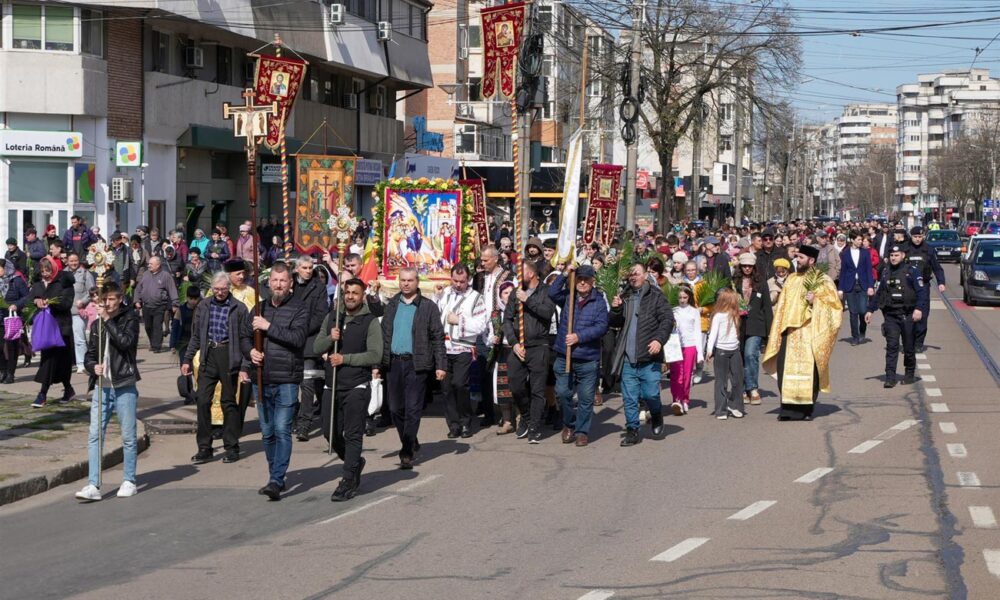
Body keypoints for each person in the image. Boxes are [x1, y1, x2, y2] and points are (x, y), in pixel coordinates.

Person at [314, 278, 383, 501]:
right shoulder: (332, 318)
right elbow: (316, 347)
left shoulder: (370, 321)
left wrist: (346, 359)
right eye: (347, 292)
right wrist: (330, 338)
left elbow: (375, 354)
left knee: (353, 434)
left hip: (356, 386)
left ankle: (348, 479)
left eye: (355, 293)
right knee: (329, 432)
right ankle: (354, 462)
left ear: (362, 296)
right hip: (332, 384)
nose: (350, 296)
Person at [245, 262, 308, 500]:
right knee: (267, 432)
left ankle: (276, 479)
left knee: (282, 429)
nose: (278, 285)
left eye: (283, 281)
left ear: (290, 283)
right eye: (275, 280)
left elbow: (298, 339)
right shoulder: (259, 308)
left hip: (287, 379)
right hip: (261, 378)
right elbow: (244, 336)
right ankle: (275, 476)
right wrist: (250, 352)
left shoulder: (299, 309)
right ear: (269, 282)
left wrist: (268, 327)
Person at [74, 281, 141, 502]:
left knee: (128, 435)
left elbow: (125, 343)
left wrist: (108, 320)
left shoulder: (129, 319)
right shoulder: (97, 325)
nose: (108, 303)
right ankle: (94, 484)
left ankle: (129, 480)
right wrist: (92, 366)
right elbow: (90, 354)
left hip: (123, 383)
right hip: (102, 386)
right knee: (95, 435)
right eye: (105, 299)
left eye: (112, 299)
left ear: (120, 299)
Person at [762, 245, 842, 421]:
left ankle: (806, 409)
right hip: (789, 333)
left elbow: (835, 309)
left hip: (810, 333)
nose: (797, 260)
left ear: (811, 260)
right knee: (785, 370)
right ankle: (787, 408)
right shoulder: (791, 279)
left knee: (809, 372)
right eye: (797, 257)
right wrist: (777, 330)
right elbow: (782, 307)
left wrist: (816, 301)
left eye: (801, 257)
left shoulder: (823, 280)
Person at [182, 272, 253, 464]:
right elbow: (196, 335)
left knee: (228, 402)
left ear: (229, 288)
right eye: (216, 289)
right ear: (211, 288)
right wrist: (187, 359)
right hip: (209, 355)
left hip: (229, 355)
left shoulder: (239, 308)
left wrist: (245, 365)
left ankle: (232, 447)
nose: (220, 293)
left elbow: (245, 339)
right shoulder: (204, 306)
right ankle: (204, 447)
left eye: (223, 289)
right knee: (202, 400)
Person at [381, 268, 446, 469]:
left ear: (417, 282)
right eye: (403, 280)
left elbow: (437, 337)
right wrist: (377, 364)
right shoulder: (392, 304)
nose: (406, 284)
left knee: (413, 408)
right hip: (394, 363)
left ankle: (407, 451)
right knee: (395, 408)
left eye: (410, 280)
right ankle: (410, 439)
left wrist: (440, 365)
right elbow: (384, 334)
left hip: (417, 364)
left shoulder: (428, 307)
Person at [609, 262, 674, 446]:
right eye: (631, 274)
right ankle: (632, 430)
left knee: (651, 394)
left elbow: (667, 320)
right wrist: (615, 309)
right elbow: (614, 323)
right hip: (628, 357)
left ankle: (656, 414)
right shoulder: (625, 296)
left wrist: (659, 340)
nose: (633, 277)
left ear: (645, 275)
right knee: (629, 398)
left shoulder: (656, 296)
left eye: (636, 273)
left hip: (649, 357)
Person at [549, 264, 608, 447]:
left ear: (592, 281)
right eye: (579, 279)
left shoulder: (599, 301)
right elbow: (552, 292)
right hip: (564, 355)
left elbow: (601, 326)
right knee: (562, 393)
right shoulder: (569, 297)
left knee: (585, 398)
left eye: (586, 280)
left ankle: (582, 431)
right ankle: (569, 424)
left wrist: (579, 337)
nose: (582, 283)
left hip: (587, 358)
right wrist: (565, 273)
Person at [502, 261, 556, 443]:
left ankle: (534, 426)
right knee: (515, 385)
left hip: (539, 346)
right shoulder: (516, 292)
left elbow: (547, 312)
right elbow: (507, 320)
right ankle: (526, 416)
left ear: (532, 273)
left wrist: (528, 300)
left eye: (521, 271)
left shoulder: (546, 291)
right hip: (519, 346)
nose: (518, 274)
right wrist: (514, 343)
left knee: (537, 389)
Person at [434, 264, 488, 438]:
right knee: (446, 388)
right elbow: (435, 315)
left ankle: (465, 421)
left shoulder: (476, 298)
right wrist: (437, 297)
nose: (458, 284)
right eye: (455, 281)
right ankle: (454, 425)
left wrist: (459, 321)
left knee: (459, 384)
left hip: (463, 347)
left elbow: (481, 325)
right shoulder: (445, 294)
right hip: (444, 348)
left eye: (462, 281)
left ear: (468, 280)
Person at [866, 245, 928, 388]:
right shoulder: (886, 271)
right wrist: (870, 310)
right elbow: (880, 292)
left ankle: (909, 374)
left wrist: (918, 309)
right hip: (891, 315)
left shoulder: (912, 271)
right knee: (892, 346)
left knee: (908, 347)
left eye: (896, 255)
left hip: (907, 315)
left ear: (903, 256)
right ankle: (890, 377)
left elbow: (922, 292)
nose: (893, 258)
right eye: (892, 256)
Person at [472, 247, 514, 427]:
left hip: (502, 331)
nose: (482, 263)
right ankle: (489, 412)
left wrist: (502, 329)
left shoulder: (508, 276)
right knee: (485, 373)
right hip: (483, 331)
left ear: (496, 259)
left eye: (486, 260)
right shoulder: (481, 277)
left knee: (504, 374)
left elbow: (510, 304)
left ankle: (509, 415)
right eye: (481, 260)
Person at [291, 256, 329, 441]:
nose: (308, 271)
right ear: (297, 268)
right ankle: (292, 418)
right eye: (304, 267)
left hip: (308, 341)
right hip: (288, 340)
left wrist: (302, 330)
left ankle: (304, 424)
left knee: (307, 384)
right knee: (289, 383)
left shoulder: (318, 287)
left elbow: (321, 314)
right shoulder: (289, 283)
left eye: (310, 267)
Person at [30, 258, 76, 408]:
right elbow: (29, 299)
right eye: (43, 271)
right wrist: (36, 301)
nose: (45, 274)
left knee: (61, 362)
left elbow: (66, 303)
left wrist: (50, 302)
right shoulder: (38, 284)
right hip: (45, 329)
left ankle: (43, 393)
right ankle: (67, 389)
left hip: (61, 328)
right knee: (49, 360)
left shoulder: (64, 282)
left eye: (48, 271)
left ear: (54, 269)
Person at [732, 253, 772, 406]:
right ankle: (742, 389)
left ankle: (753, 388)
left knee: (750, 354)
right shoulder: (734, 282)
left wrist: (770, 332)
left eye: (750, 266)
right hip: (738, 325)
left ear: (754, 267)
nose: (747, 268)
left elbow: (767, 307)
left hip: (756, 325)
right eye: (744, 266)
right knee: (740, 356)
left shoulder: (761, 282)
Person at [902, 226, 945, 353]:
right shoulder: (904, 249)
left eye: (920, 237)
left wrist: (941, 282)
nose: (917, 239)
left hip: (923, 286)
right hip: (907, 286)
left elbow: (937, 268)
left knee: (923, 316)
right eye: (915, 237)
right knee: (906, 316)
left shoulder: (929, 250)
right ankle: (908, 342)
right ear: (911, 236)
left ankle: (918, 343)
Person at [707, 288, 744, 420]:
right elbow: (713, 334)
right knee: (721, 382)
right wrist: (709, 350)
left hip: (735, 351)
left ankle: (735, 406)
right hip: (721, 351)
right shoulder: (718, 316)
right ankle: (721, 410)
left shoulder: (736, 315)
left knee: (738, 379)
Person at [133, 256, 179, 353]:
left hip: (160, 306)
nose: (148, 265)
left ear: (158, 265)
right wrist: (137, 300)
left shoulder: (165, 276)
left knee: (157, 326)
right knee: (148, 327)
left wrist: (175, 303)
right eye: (148, 263)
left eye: (151, 264)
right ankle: (153, 342)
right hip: (146, 305)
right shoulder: (146, 274)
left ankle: (157, 346)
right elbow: (138, 289)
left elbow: (172, 289)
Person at [669, 285, 702, 415]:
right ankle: (676, 399)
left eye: (685, 297)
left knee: (687, 375)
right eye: (680, 297)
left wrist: (700, 353)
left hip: (690, 345)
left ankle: (685, 399)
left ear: (689, 298)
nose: (682, 300)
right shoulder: (673, 311)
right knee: (676, 375)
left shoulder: (694, 311)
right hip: (675, 345)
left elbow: (697, 332)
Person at [839, 231, 875, 346]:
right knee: (853, 312)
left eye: (862, 240)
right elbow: (843, 272)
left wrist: (870, 286)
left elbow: (869, 270)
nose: (861, 242)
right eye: (859, 240)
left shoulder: (865, 253)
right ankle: (855, 336)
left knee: (863, 310)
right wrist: (840, 288)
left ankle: (862, 330)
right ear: (852, 240)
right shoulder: (845, 254)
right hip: (850, 285)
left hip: (862, 284)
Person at [0, 259, 30, 384]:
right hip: (0, 318)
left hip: (12, 318)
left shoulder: (16, 281)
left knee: (11, 347)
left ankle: (10, 373)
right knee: (0, 347)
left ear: (6, 268)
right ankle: (2, 371)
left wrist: (16, 305)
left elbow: (27, 296)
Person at [66, 252, 96, 374]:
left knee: (79, 339)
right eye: (71, 261)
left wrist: (83, 301)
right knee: (66, 340)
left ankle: (82, 363)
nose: (73, 263)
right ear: (67, 261)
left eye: (75, 260)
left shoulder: (85, 274)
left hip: (78, 311)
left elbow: (92, 291)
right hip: (64, 311)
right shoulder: (63, 273)